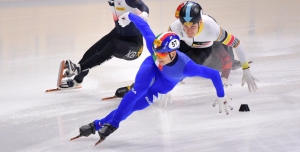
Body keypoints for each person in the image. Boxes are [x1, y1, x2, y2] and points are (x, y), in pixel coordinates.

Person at [73, 12, 232, 145]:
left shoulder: (187, 67)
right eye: (156, 52)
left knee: (136, 106)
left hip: (165, 84)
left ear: (172, 53)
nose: (158, 56)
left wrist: (221, 95)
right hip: (150, 68)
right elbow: (144, 27)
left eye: (162, 54)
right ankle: (114, 123)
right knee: (138, 90)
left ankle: (97, 124)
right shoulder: (156, 55)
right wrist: (128, 15)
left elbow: (212, 74)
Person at [115, 1, 257, 98]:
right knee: (165, 60)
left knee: (182, 69)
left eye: (192, 26)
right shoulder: (175, 27)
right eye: (185, 26)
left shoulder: (213, 29)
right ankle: (136, 86)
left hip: (202, 49)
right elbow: (160, 51)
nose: (189, 30)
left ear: (200, 22)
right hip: (182, 44)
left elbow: (237, 43)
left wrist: (246, 69)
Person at [58, 0, 149, 89]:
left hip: (135, 46)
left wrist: (144, 14)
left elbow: (143, 6)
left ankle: (79, 69)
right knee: (91, 52)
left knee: (113, 46)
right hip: (117, 34)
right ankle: (78, 80)